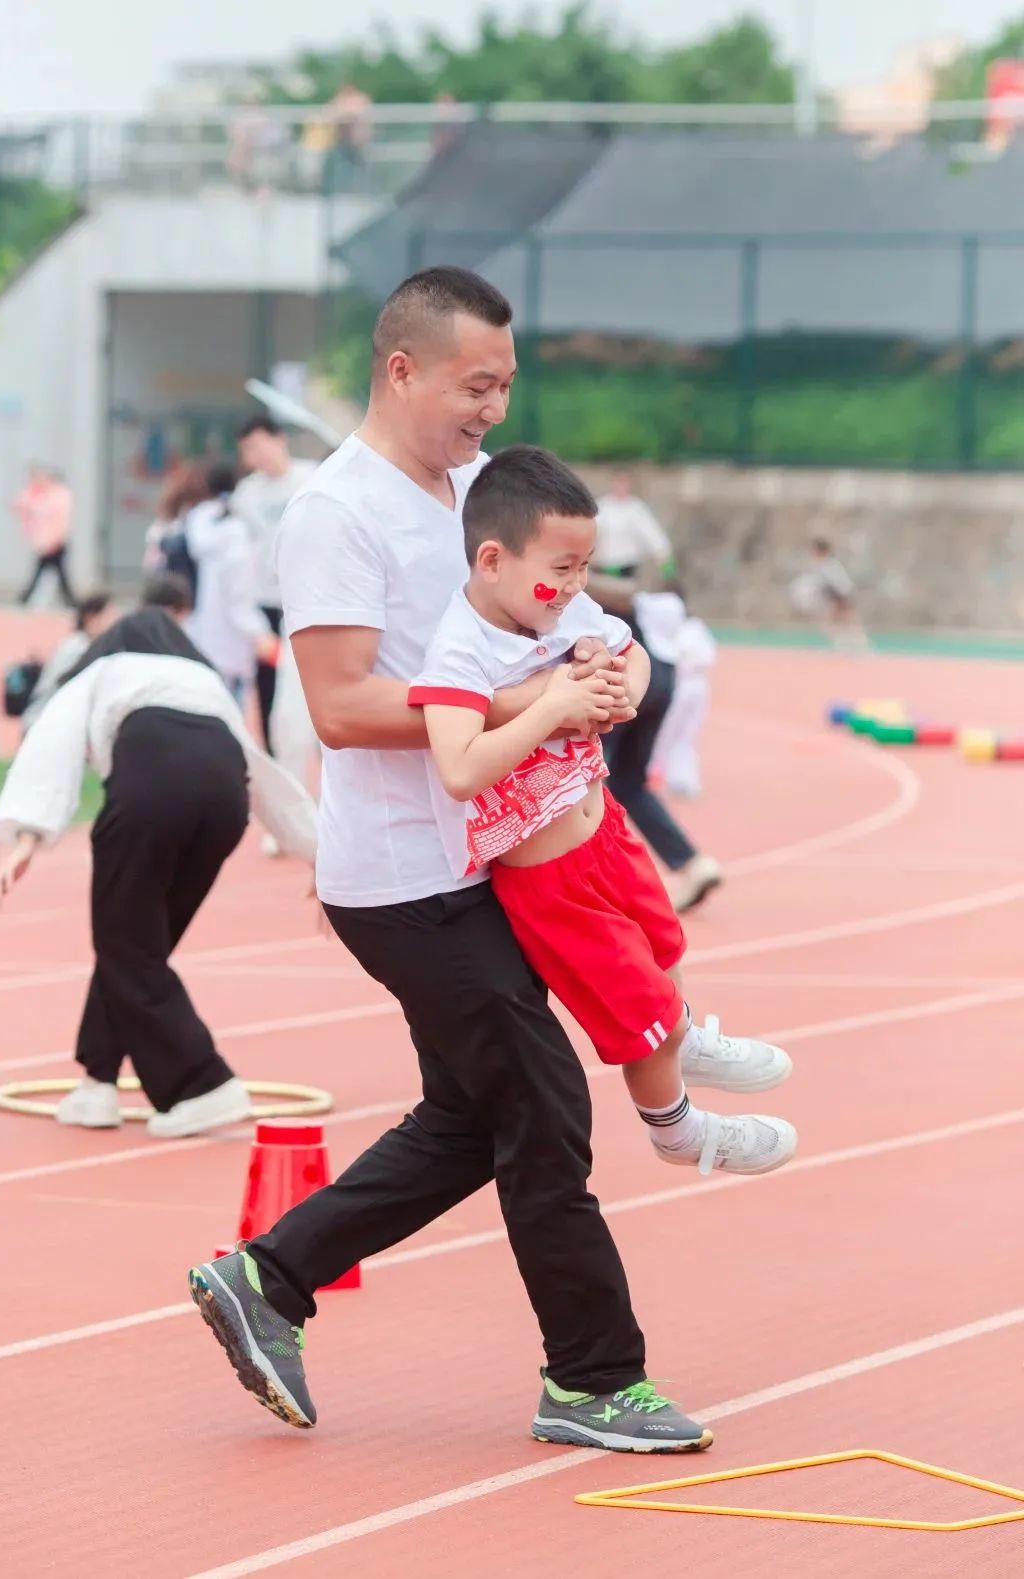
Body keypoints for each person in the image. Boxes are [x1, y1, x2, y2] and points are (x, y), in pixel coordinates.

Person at [186, 267, 776, 1457]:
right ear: (402, 369)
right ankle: (596, 1377)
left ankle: (270, 1276)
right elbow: (342, 704)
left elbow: (589, 626)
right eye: (476, 384)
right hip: (405, 878)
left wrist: (609, 681)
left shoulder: (476, 494)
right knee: (545, 1107)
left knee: (474, 1116)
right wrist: (536, 701)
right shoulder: (335, 512)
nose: (494, 407)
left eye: (507, 384)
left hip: (479, 862)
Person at [410, 445, 795, 1180]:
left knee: (662, 950)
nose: (575, 586)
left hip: (606, 831)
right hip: (550, 878)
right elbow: (458, 767)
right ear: (492, 560)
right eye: (561, 571)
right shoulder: (458, 653)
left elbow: (632, 652)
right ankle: (678, 1128)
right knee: (636, 1010)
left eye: (584, 568)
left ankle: (682, 1037)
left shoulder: (568, 609)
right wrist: (552, 704)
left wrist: (625, 689)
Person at [0, 603, 317, 1138]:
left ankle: (201, 1083)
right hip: (223, 805)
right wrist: (315, 850)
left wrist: (28, 833)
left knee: (126, 945)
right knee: (139, 945)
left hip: (152, 792)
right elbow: (261, 772)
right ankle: (97, 1084)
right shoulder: (205, 681)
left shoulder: (106, 668)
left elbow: (52, 742)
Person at [589, 475, 720, 913]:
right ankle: (690, 862)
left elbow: (634, 576)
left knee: (591, 783)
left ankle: (609, 885)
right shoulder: (640, 597)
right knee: (629, 783)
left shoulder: (604, 594)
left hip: (638, 683)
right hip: (661, 682)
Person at [234, 416, 319, 754]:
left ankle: (319, 747)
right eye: (247, 450)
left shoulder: (310, 478)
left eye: (258, 445)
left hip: (308, 597)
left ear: (279, 439)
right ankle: (275, 752)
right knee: (269, 682)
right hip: (267, 601)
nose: (255, 455)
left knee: (312, 677)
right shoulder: (246, 494)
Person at [185, 460, 276, 703]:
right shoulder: (239, 534)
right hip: (235, 642)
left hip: (204, 632)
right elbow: (239, 599)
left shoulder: (199, 522)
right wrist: (261, 632)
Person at [650, 587, 717, 799]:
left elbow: (708, 656)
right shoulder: (665, 628)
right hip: (678, 682)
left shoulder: (693, 627)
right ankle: (652, 771)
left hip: (695, 683)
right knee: (665, 730)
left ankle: (683, 778)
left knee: (687, 733)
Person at [21, 592, 116, 733]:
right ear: (91, 617)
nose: (114, 623)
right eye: (109, 616)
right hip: (45, 724)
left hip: (49, 723)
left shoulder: (81, 645)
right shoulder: (77, 648)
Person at [14, 465, 76, 608]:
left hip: (55, 541)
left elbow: (61, 521)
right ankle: (70, 600)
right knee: (56, 573)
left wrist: (56, 540)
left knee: (50, 572)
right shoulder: (45, 495)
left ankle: (25, 598)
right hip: (46, 541)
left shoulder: (60, 496)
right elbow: (24, 505)